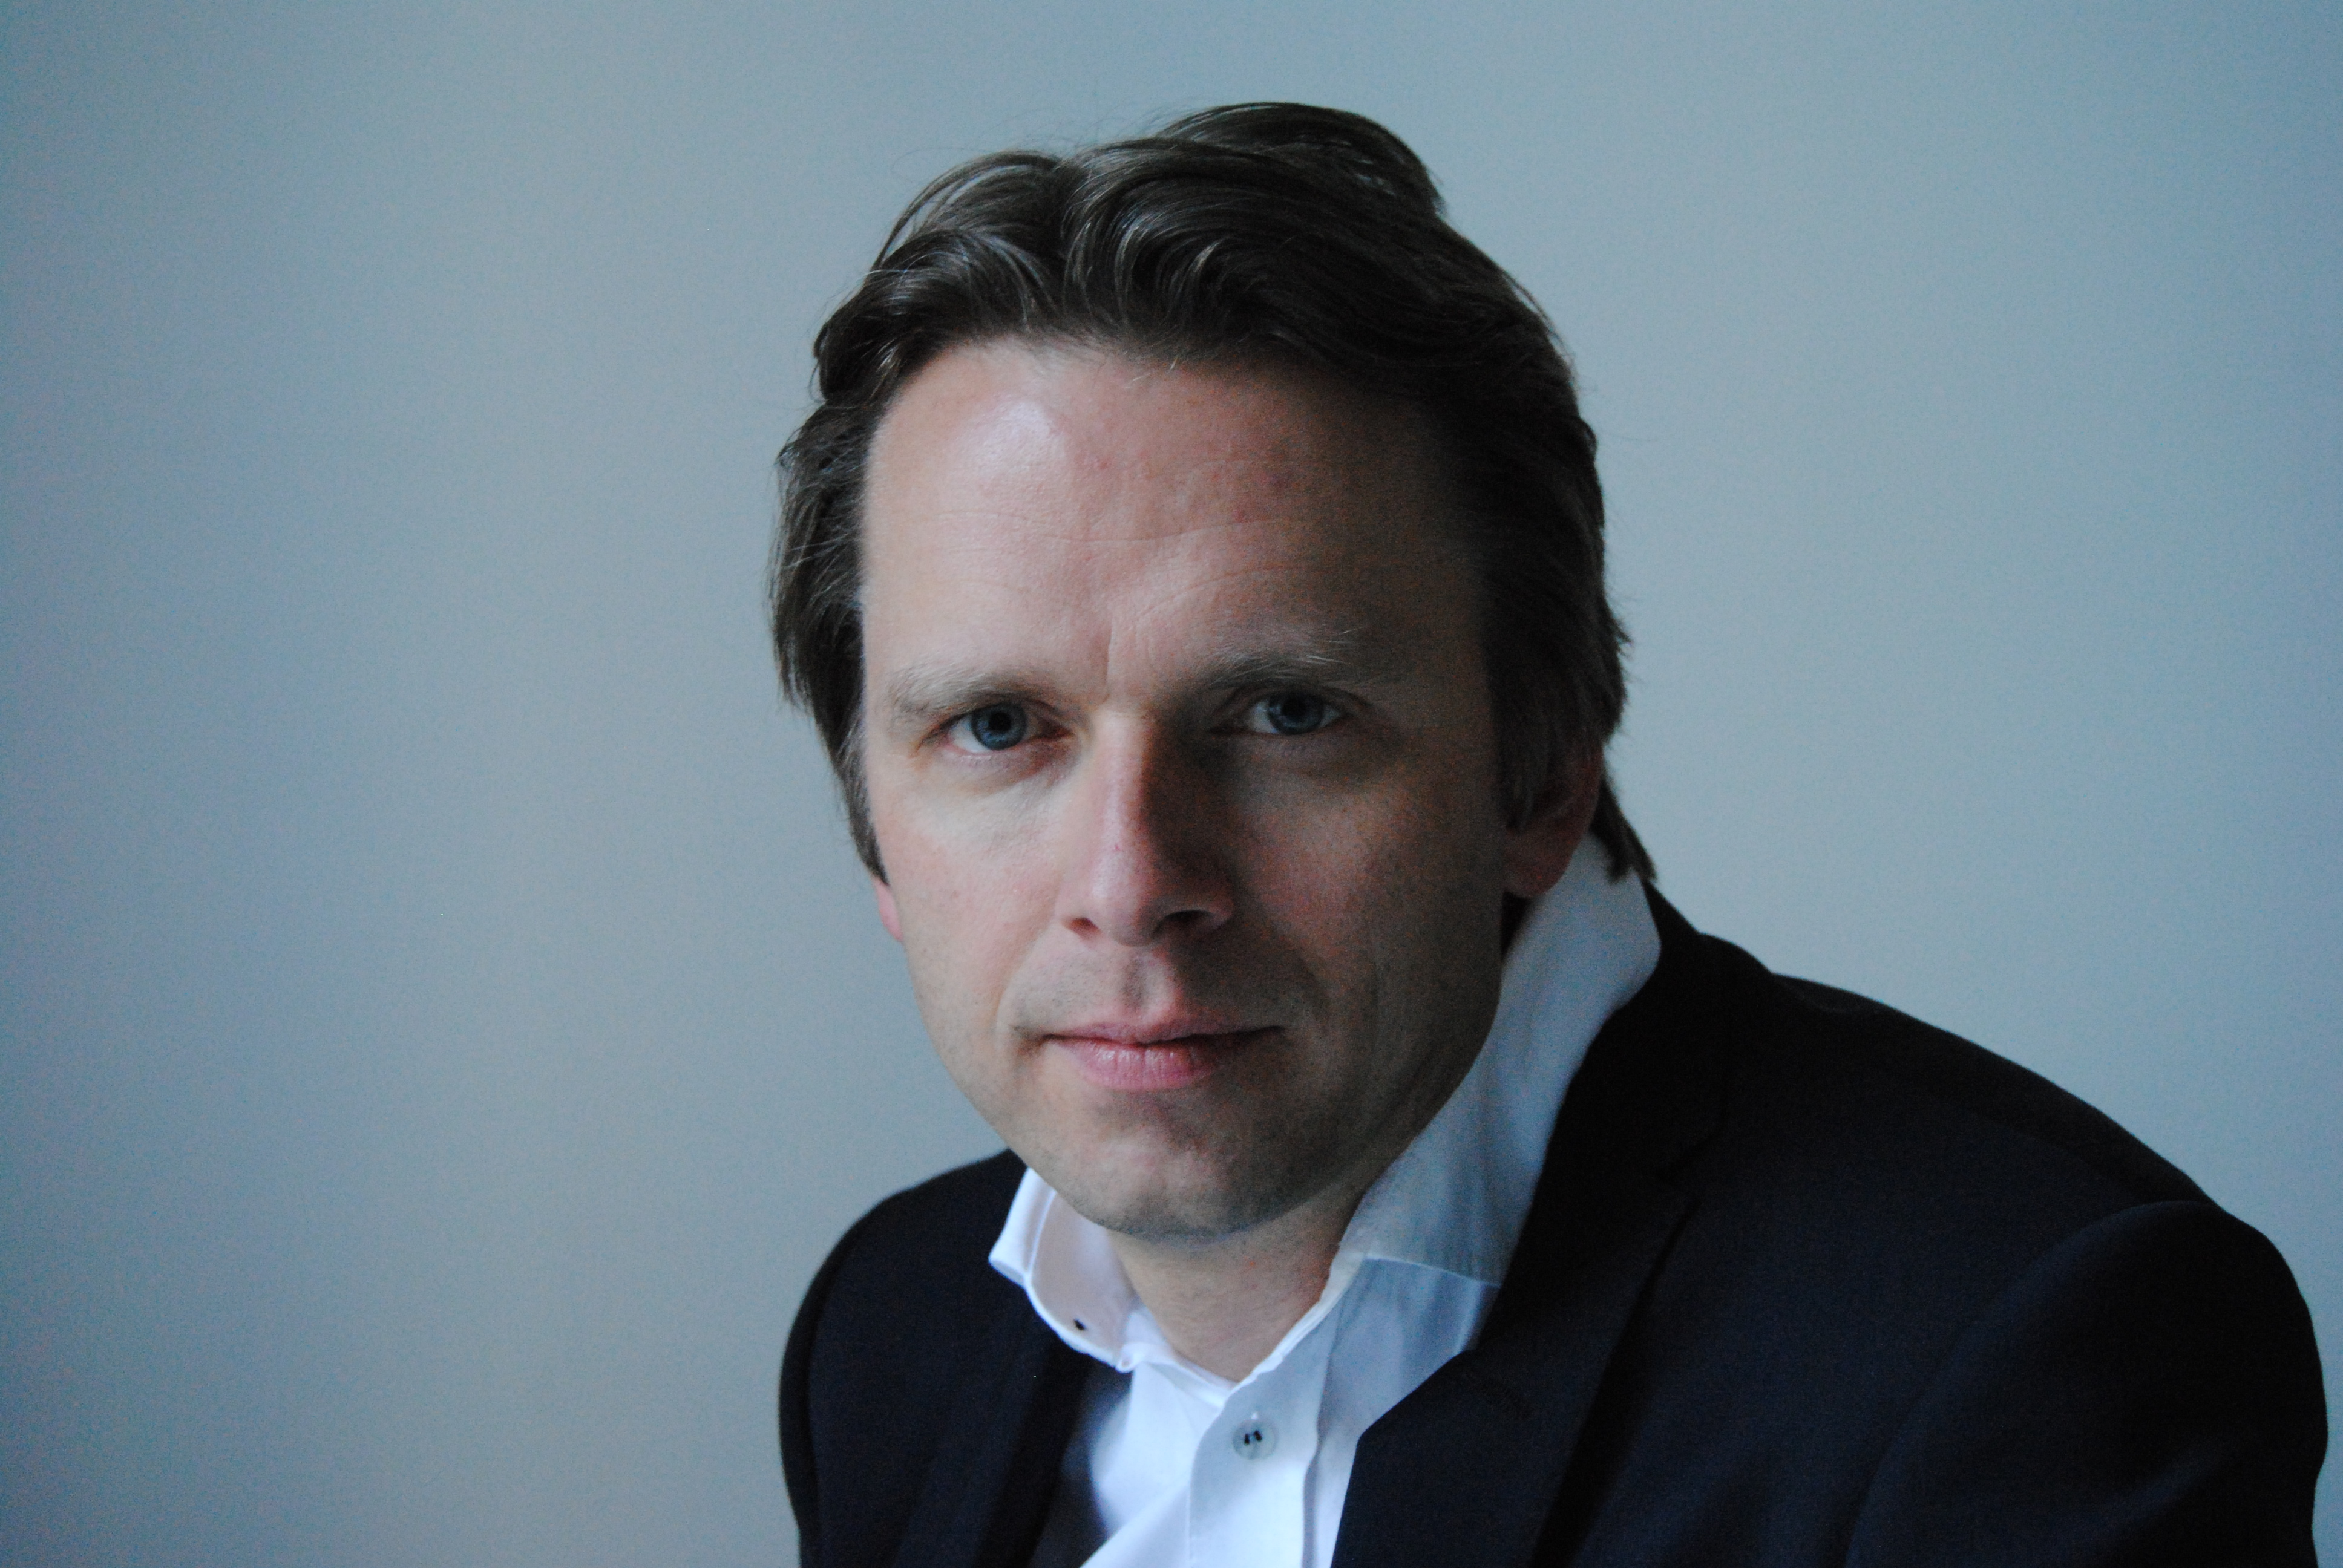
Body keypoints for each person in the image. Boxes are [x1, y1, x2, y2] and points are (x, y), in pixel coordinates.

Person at [767, 104, 2325, 1567]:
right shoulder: (889, 1331)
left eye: (1285, 715)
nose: (1131, 886)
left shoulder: (2024, 1349)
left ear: (1542, 770)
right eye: (996, 728)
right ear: (870, 822)